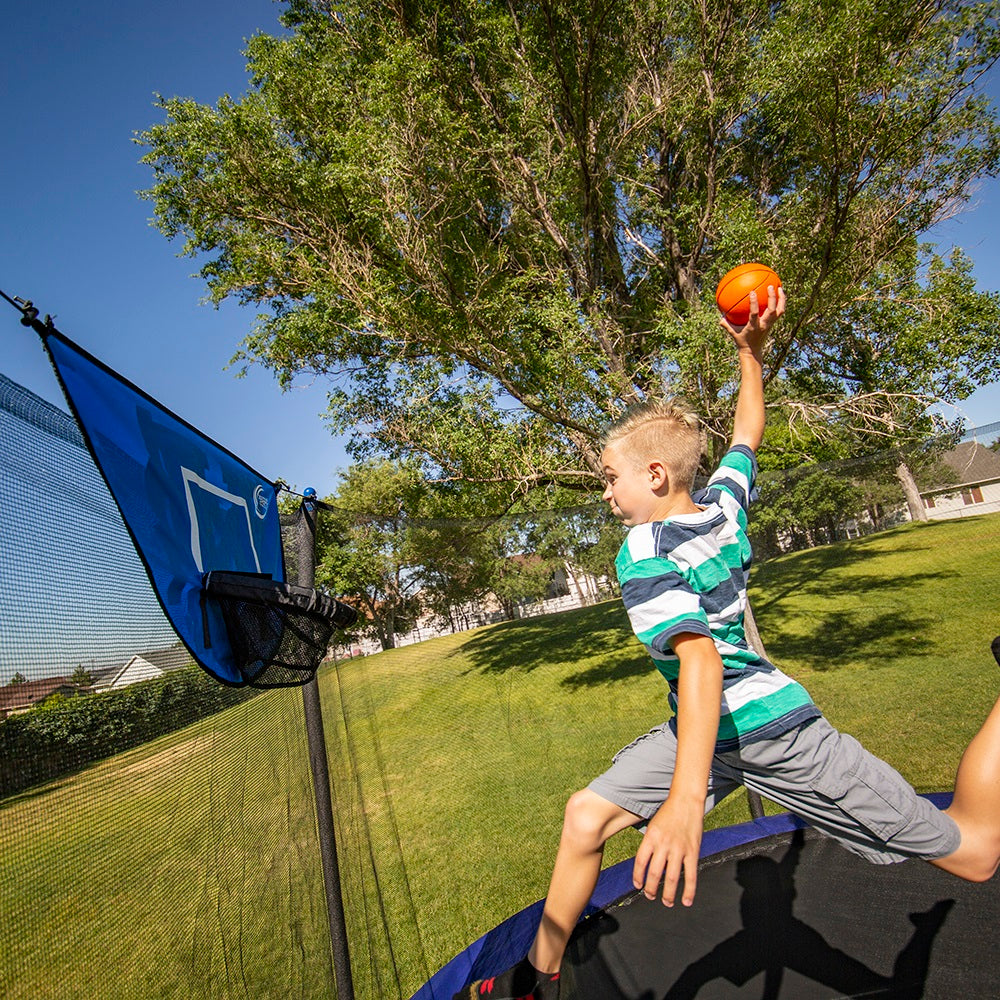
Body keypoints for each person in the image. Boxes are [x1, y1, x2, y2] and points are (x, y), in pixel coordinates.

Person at [453, 284, 1000, 1000]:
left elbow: (703, 660)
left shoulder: (644, 552)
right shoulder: (721, 509)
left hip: (776, 732)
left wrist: (684, 805)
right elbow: (747, 436)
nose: (606, 493)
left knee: (976, 851)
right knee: (586, 816)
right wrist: (751, 353)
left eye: (610, 477)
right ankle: (531, 978)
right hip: (703, 734)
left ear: (654, 476)